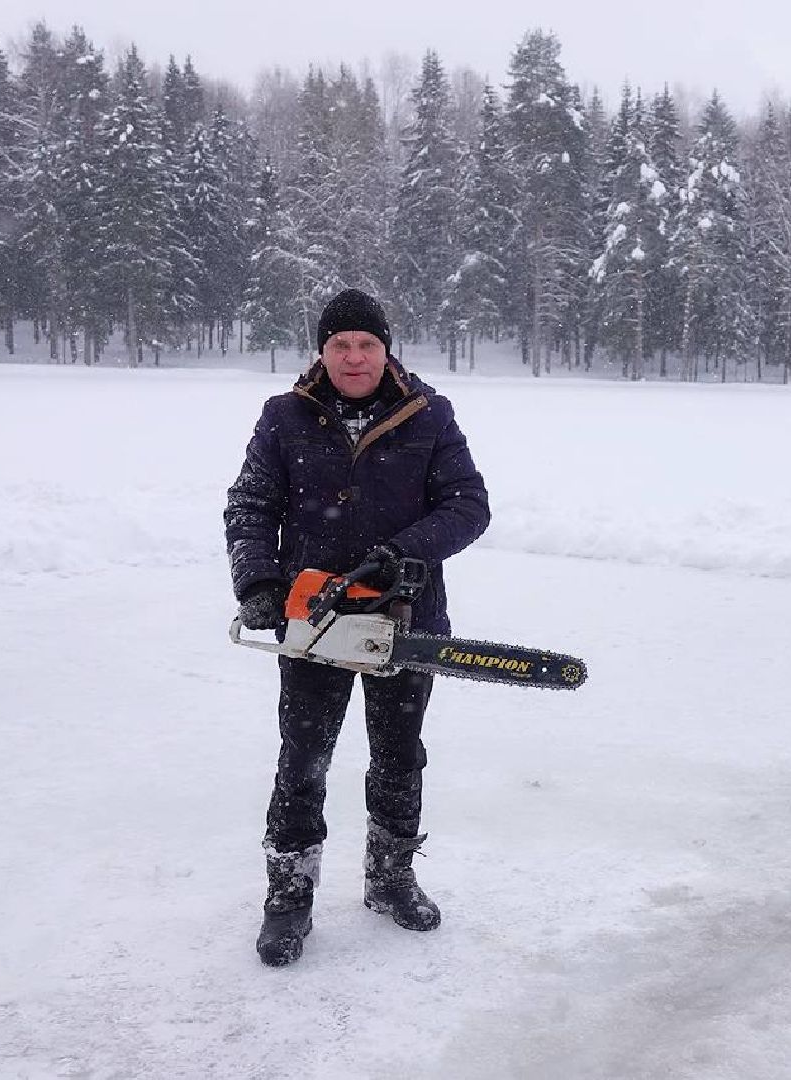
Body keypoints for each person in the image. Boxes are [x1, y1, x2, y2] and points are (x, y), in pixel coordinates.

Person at [224, 288, 491, 966]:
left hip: (407, 618)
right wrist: (257, 583)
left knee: (400, 756)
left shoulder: (429, 415)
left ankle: (391, 875)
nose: (353, 356)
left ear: (385, 349)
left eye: (366, 344)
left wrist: (404, 550)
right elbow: (250, 504)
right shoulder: (284, 417)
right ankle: (288, 895)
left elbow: (467, 505)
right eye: (340, 344)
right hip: (314, 618)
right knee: (302, 761)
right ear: (321, 350)